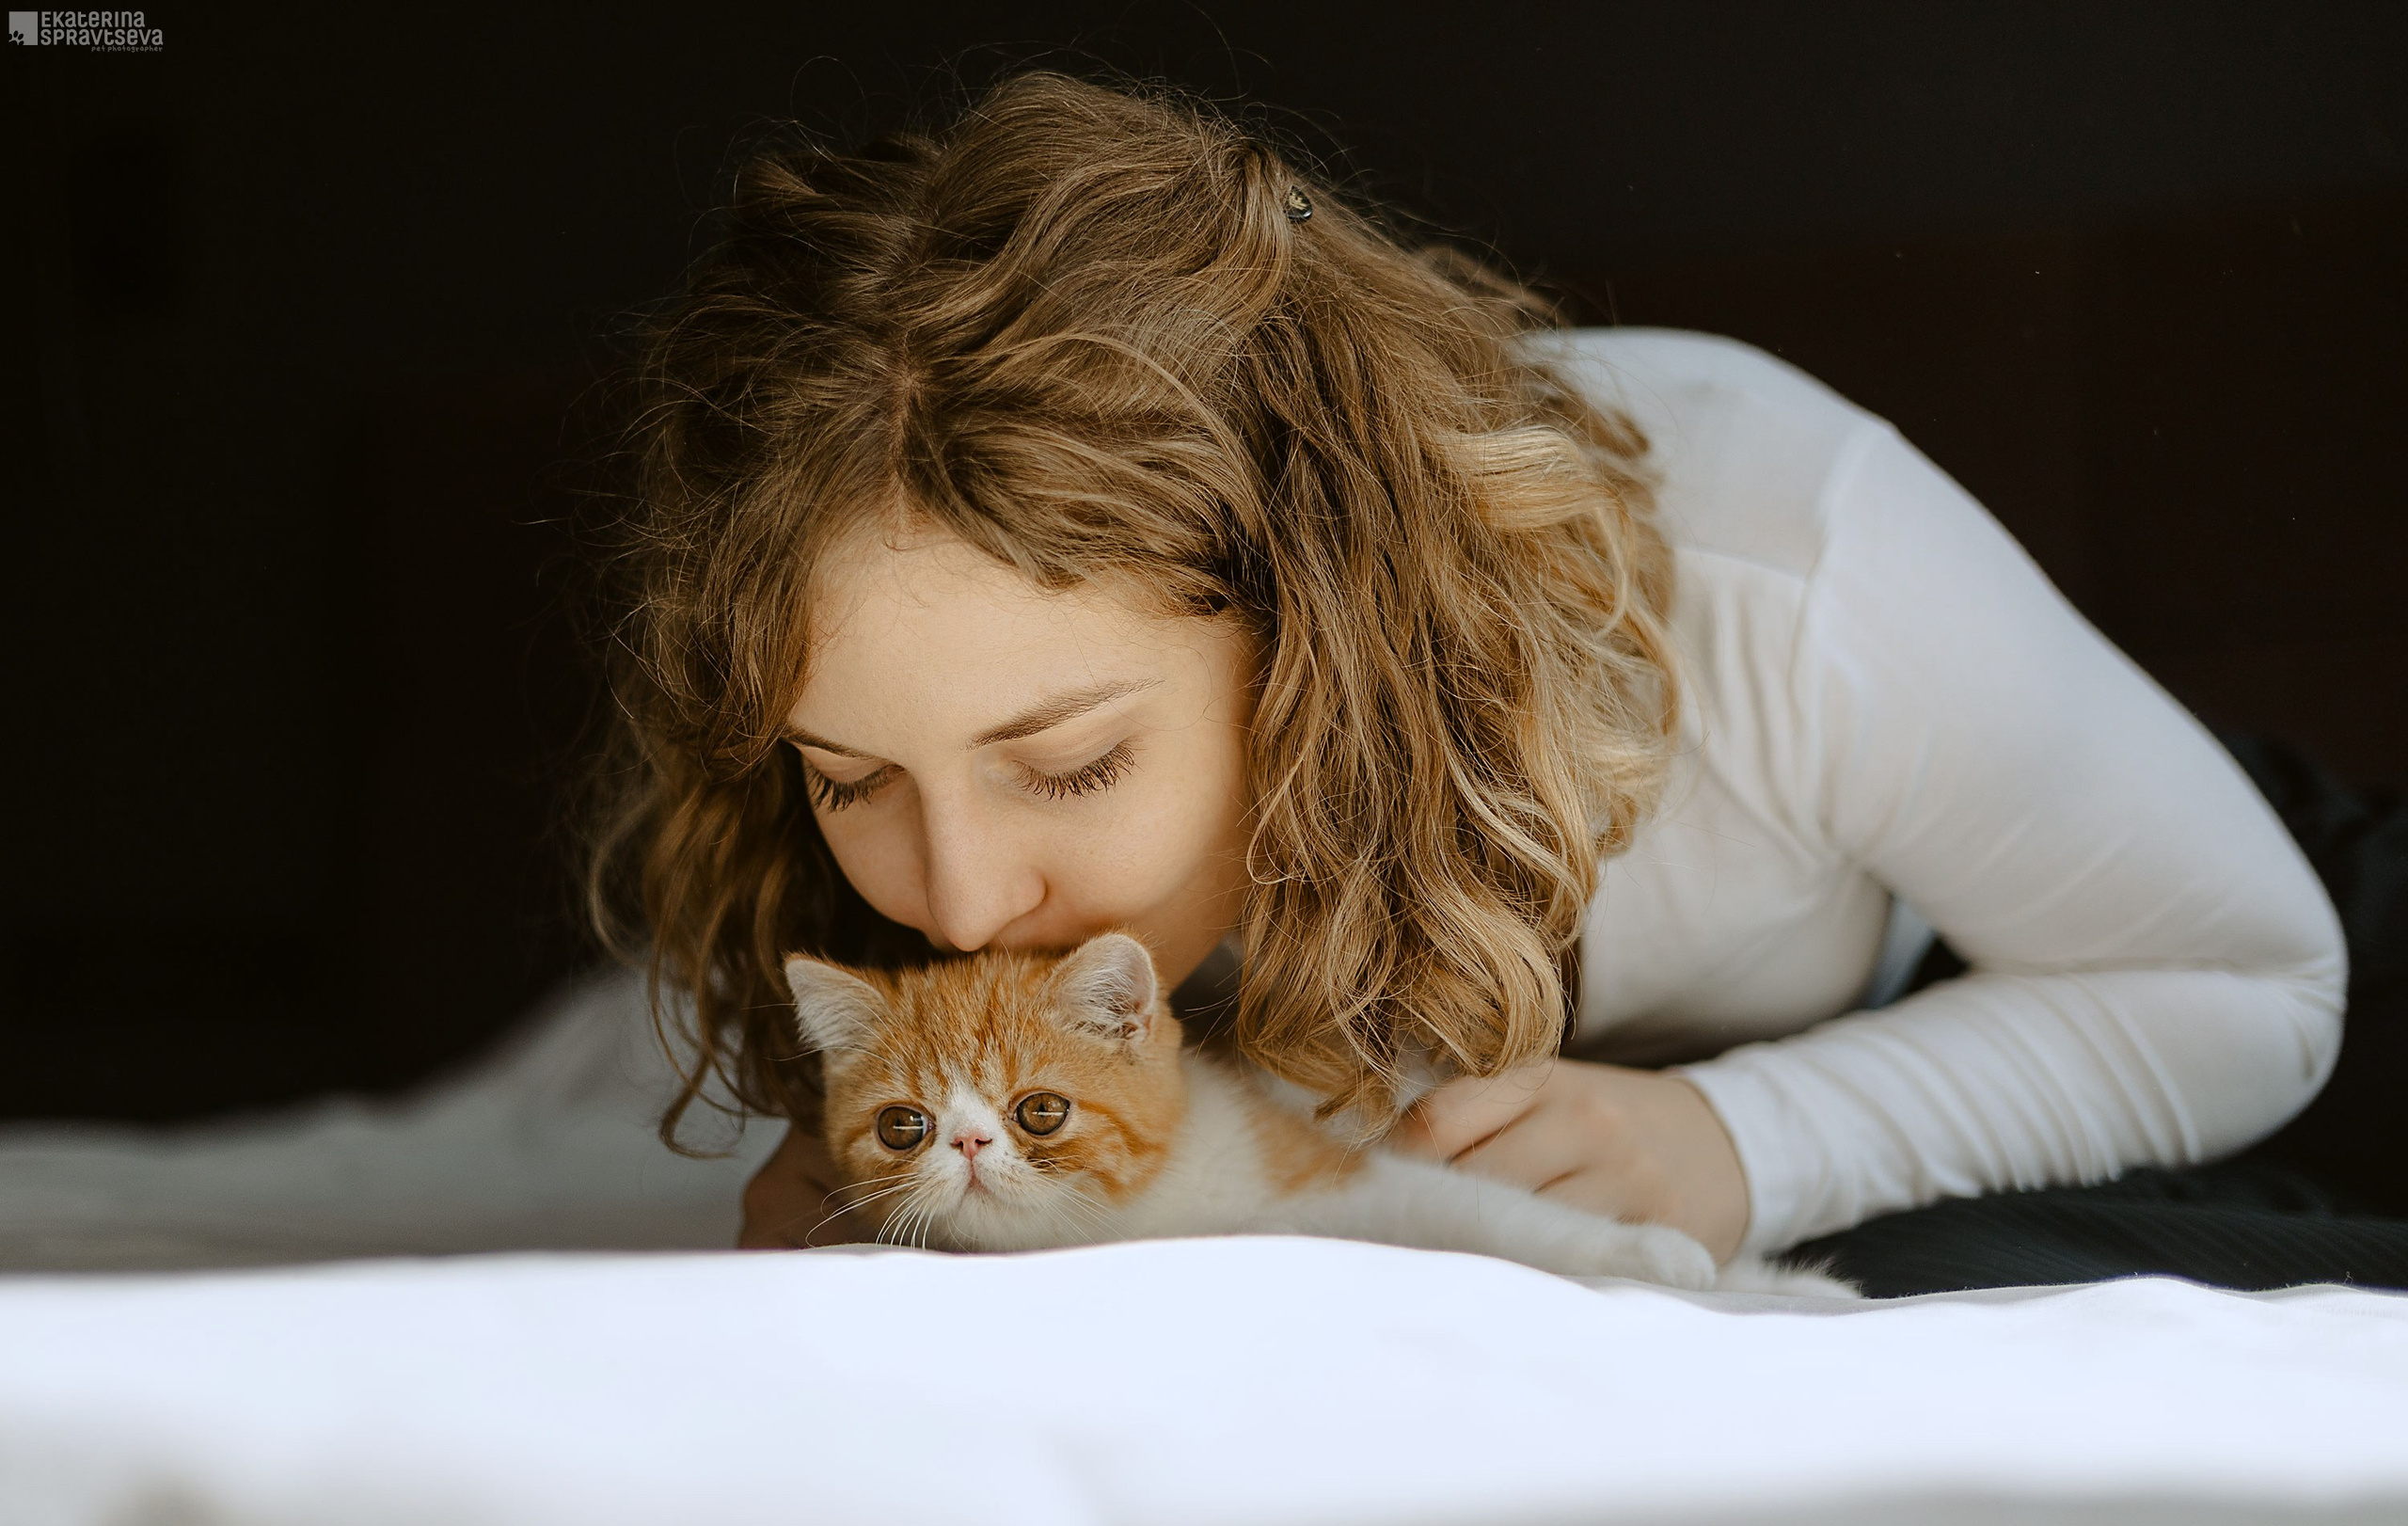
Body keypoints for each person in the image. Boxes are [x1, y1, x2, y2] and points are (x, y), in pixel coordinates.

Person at [588, 71, 2357, 1286]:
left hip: (2102, 935)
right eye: (851, 780)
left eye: (1065, 765)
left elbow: (2253, 978)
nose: (960, 903)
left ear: (1317, 635)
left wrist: (1751, 1140)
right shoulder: (948, 910)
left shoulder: (1790, 557)